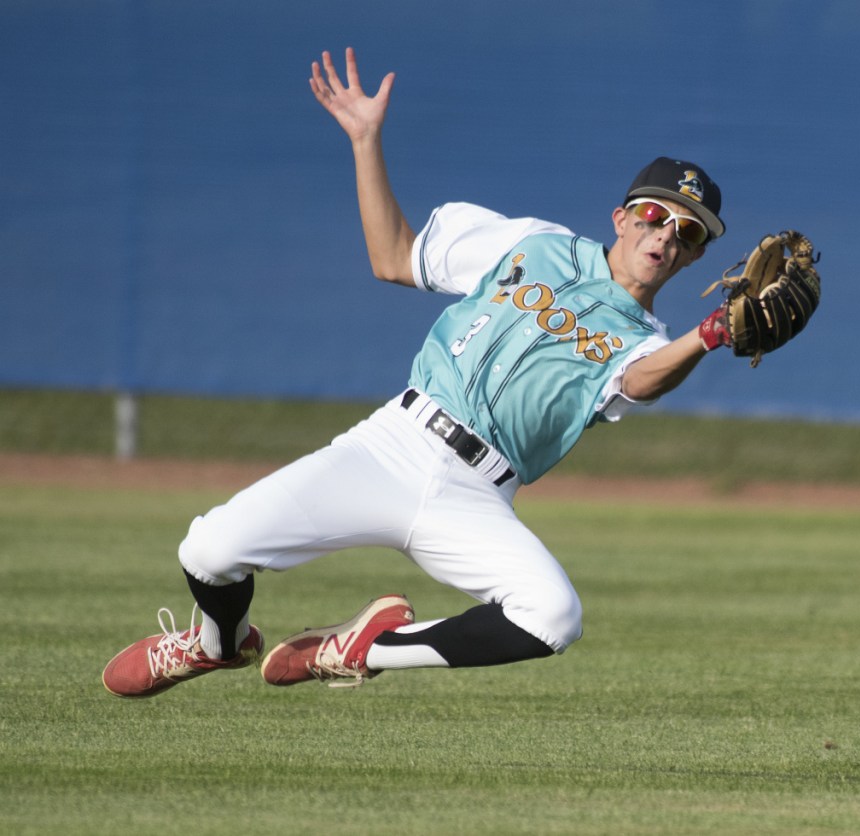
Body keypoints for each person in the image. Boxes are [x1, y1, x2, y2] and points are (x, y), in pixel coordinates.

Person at [102, 47, 734, 698]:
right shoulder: (535, 245)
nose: (666, 237)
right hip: (392, 446)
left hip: (476, 495)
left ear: (694, 258)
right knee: (207, 551)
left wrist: (711, 335)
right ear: (622, 217)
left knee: (554, 617)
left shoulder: (648, 342)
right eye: (656, 216)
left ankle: (362, 650)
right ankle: (213, 645)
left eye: (688, 233)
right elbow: (394, 256)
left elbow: (640, 381)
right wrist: (365, 141)